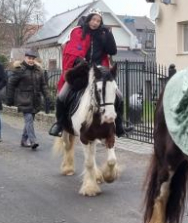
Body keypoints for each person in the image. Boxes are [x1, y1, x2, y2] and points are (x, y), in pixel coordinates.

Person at [48, 9, 129, 138]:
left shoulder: (103, 33)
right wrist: (80, 61)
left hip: (98, 71)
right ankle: (59, 124)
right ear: (88, 19)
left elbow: (112, 51)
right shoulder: (77, 32)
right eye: (93, 20)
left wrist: (109, 35)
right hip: (81, 70)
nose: (95, 23)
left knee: (118, 95)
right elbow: (70, 51)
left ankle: (119, 126)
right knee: (62, 95)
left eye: (98, 21)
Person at [6, 49, 48, 150]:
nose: (31, 60)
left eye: (33, 59)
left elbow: (43, 85)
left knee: (29, 121)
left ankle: (24, 140)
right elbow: (11, 84)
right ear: (25, 58)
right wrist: (9, 99)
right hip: (23, 99)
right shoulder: (20, 70)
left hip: (35, 100)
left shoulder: (38, 71)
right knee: (29, 119)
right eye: (29, 58)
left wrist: (47, 98)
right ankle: (33, 140)